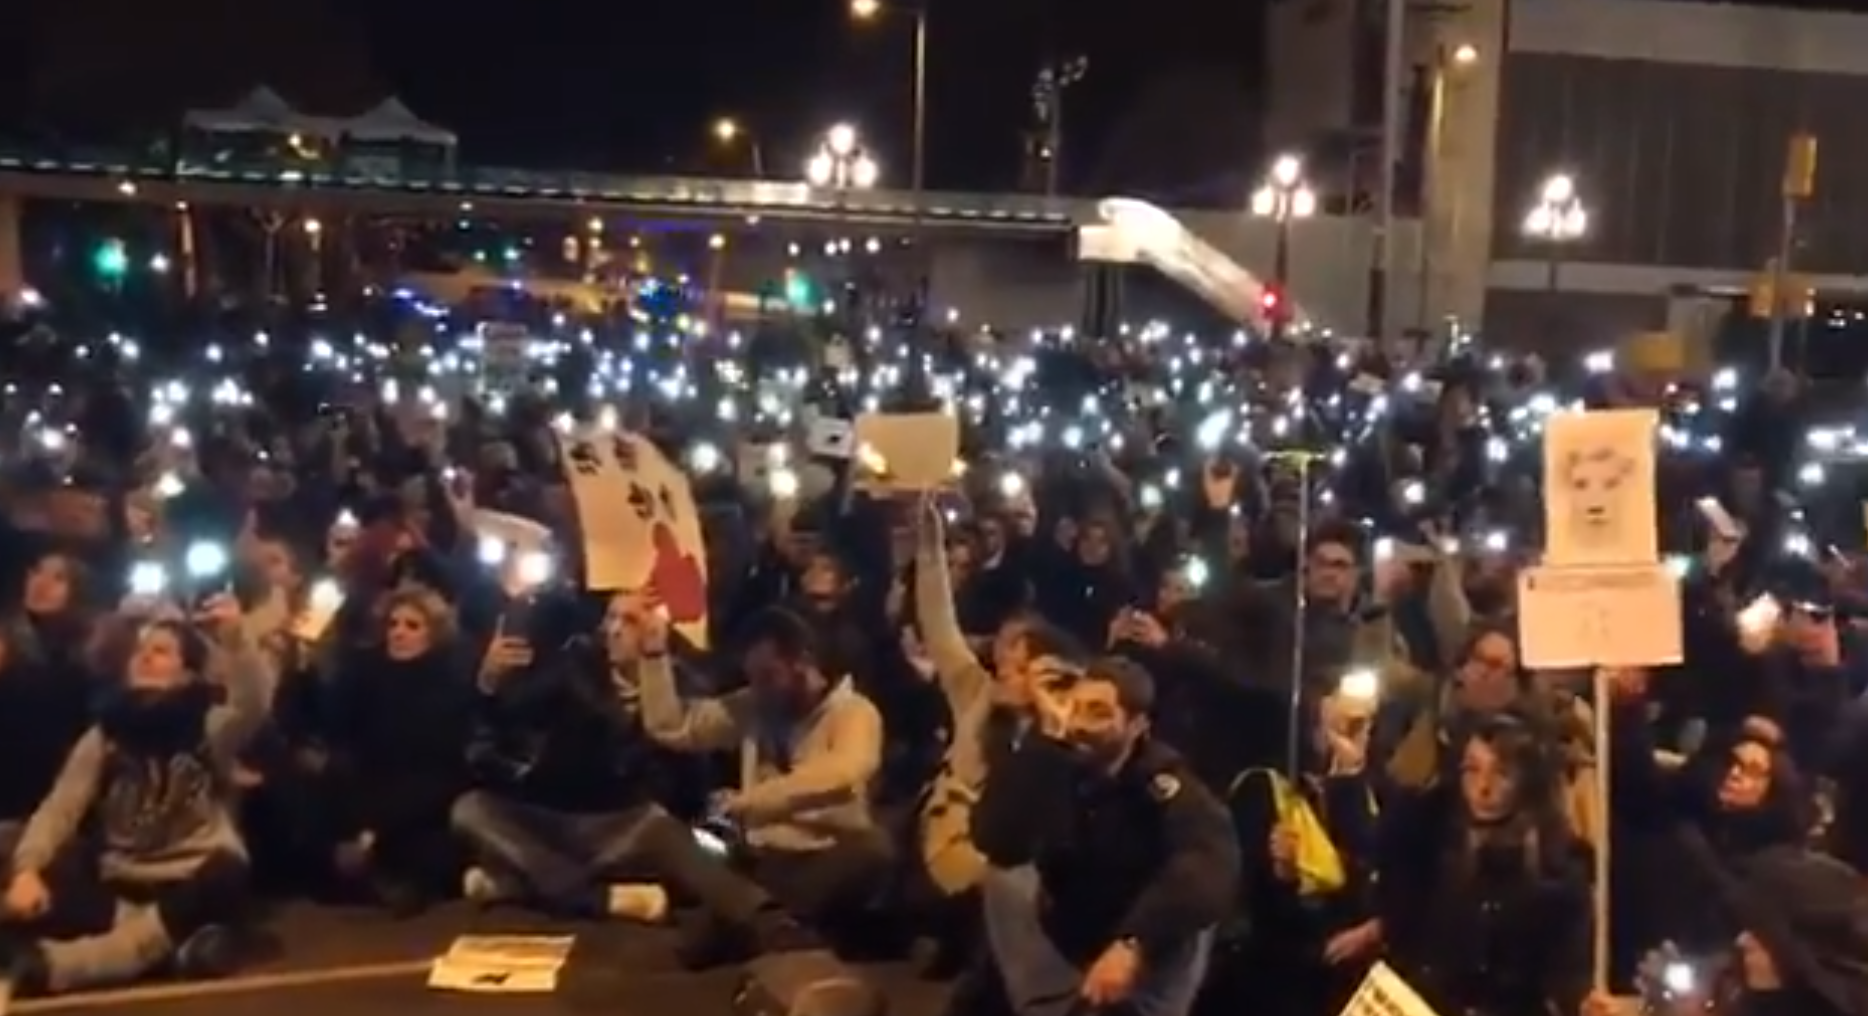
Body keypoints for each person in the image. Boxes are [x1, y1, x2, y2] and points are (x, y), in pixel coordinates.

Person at [0, 594, 268, 1001]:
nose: (145, 658)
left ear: (186, 675)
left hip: (191, 878)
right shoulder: (105, 734)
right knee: (30, 891)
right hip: (123, 887)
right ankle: (174, 948)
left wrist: (236, 639)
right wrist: (27, 869)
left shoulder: (208, 728)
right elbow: (61, 807)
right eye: (140, 651)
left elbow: (253, 703)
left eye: (160, 652)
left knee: (229, 871)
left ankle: (57, 965)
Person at [968, 655, 1240, 1016]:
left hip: (1143, 951)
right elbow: (996, 840)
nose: (1079, 723)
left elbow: (1210, 867)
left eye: (1097, 712)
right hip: (1071, 940)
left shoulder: (1167, 785)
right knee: (1005, 876)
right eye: (1074, 707)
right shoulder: (1058, 761)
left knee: (1190, 900)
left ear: (1137, 724)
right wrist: (1045, 739)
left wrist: (1133, 941)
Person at [635, 602, 890, 968]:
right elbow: (673, 727)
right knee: (659, 832)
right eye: (752, 678)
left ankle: (751, 918)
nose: (760, 688)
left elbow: (845, 772)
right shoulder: (755, 703)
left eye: (769, 676)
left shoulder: (854, 712)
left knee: (873, 849)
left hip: (822, 854)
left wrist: (749, 802)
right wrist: (654, 655)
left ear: (802, 661)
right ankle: (771, 923)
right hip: (758, 857)